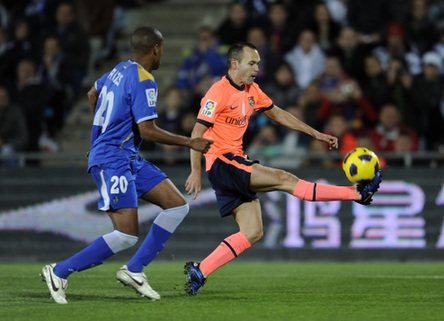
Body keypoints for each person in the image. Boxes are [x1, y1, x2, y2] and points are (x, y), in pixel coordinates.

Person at [183, 42, 382, 296]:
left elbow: (278, 114)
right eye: (251, 63)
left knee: (253, 232)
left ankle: (200, 271)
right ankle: (356, 193)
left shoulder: (252, 90)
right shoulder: (217, 92)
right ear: (234, 64)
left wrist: (315, 133)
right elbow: (196, 133)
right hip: (223, 161)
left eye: (258, 63)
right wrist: (195, 171)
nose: (256, 68)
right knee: (283, 178)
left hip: (234, 163)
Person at [40, 26, 213, 304]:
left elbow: (91, 94)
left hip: (126, 156)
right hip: (113, 158)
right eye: (162, 49)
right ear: (156, 48)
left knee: (177, 205)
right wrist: (189, 143)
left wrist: (98, 136)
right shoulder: (145, 80)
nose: (161, 55)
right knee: (126, 235)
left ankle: (134, 270)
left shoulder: (119, 69)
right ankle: (59, 272)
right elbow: (148, 131)